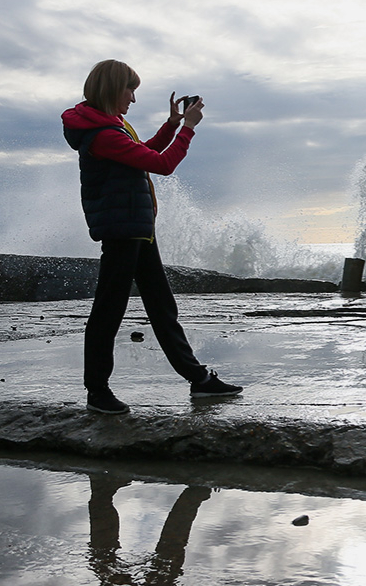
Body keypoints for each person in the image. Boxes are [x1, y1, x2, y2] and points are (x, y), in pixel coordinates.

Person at [62, 59, 242, 414]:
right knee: (108, 312)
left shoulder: (112, 128)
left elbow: (145, 153)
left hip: (138, 229)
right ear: (113, 89)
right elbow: (162, 165)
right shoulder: (103, 135)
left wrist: (172, 125)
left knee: (161, 307)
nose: (133, 98)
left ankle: (199, 380)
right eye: (130, 90)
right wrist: (189, 129)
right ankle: (97, 392)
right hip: (123, 231)